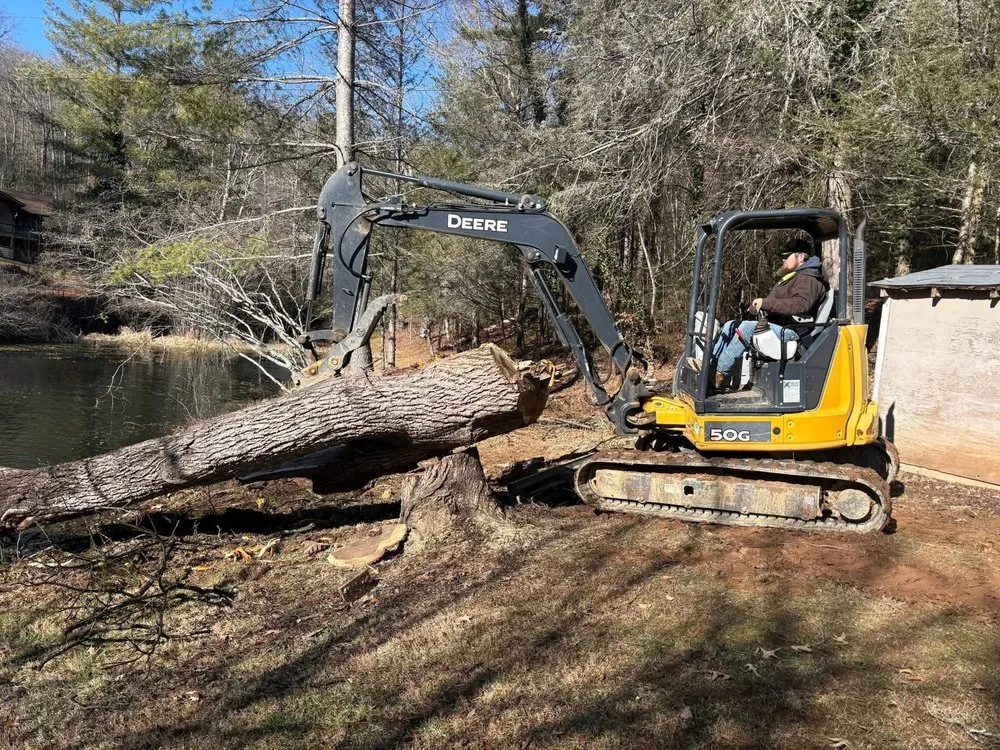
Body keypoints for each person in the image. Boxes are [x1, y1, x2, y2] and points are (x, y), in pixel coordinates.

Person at [693, 237, 828, 390]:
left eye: (787, 255)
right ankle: (710, 365)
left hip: (794, 332)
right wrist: (757, 306)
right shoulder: (794, 277)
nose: (783, 259)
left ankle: (719, 373)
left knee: (747, 328)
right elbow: (776, 302)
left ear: (801, 257)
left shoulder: (809, 280)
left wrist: (766, 303)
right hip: (781, 326)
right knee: (731, 325)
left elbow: (800, 305)